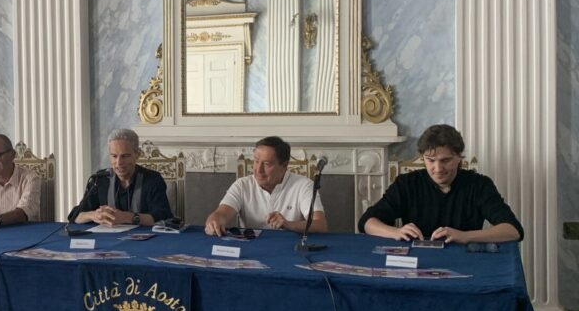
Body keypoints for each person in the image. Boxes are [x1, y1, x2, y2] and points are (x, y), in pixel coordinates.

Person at [358, 124, 523, 243]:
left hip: (464, 261)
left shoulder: (479, 185)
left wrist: (465, 236)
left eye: (445, 160)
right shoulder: (407, 184)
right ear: (423, 157)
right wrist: (396, 232)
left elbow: (512, 230)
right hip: (416, 263)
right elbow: (367, 222)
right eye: (430, 161)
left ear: (459, 157)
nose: (437, 168)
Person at [204, 136, 328, 236]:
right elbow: (221, 213)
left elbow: (320, 225)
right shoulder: (242, 185)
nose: (258, 170)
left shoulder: (304, 185)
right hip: (250, 251)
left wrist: (289, 224)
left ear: (284, 165)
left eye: (267, 164)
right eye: (256, 161)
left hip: (290, 250)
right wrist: (215, 220)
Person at [68, 128, 173, 226]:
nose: (118, 163)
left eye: (125, 156)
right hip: (106, 242)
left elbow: (163, 218)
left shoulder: (152, 180)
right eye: (114, 156)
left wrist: (127, 217)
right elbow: (75, 216)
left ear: (137, 154)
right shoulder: (100, 180)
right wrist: (94, 215)